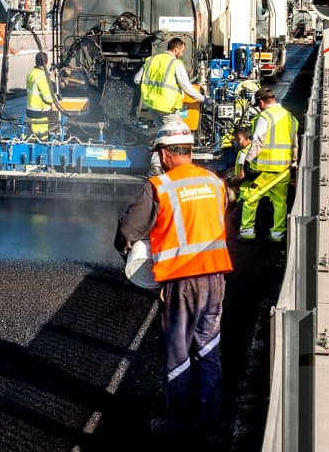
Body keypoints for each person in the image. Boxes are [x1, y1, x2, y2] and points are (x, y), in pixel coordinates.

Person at [114, 121, 233, 444]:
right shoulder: (214, 183)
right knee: (208, 349)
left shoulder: (159, 187)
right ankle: (211, 425)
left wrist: (128, 249)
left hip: (182, 281)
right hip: (215, 278)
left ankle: (178, 423)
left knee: (177, 352)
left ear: (165, 154)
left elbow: (129, 232)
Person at [135, 37, 207, 174]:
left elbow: (137, 79)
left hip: (151, 104)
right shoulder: (176, 64)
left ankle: (157, 165)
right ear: (176, 49)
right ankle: (158, 166)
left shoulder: (150, 60)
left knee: (162, 133)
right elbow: (188, 89)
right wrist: (204, 99)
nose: (181, 54)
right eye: (181, 51)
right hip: (167, 106)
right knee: (175, 134)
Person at [238, 86, 298, 243]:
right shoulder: (290, 117)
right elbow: (294, 143)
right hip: (284, 168)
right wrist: (294, 162)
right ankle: (277, 235)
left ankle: (247, 232)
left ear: (261, 102)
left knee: (251, 198)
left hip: (265, 168)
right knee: (280, 202)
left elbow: (257, 142)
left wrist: (247, 162)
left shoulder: (265, 118)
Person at [25, 51, 58, 138]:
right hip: (40, 112)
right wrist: (53, 83)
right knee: (42, 137)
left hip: (30, 110)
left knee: (34, 134)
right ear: (46, 62)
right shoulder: (42, 76)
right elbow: (48, 98)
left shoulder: (31, 73)